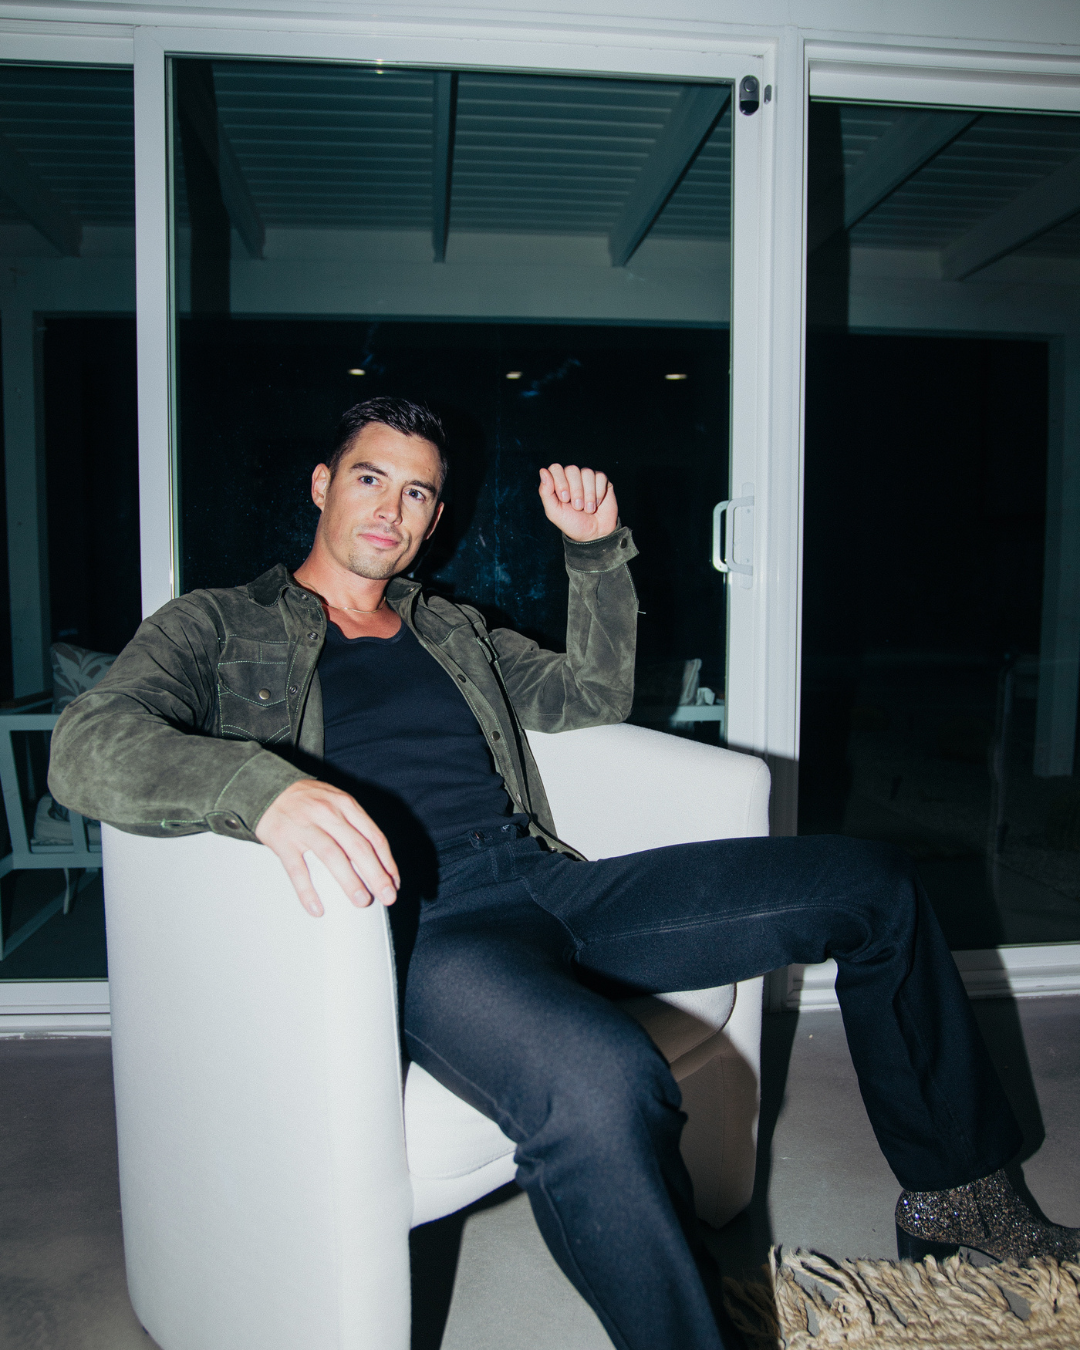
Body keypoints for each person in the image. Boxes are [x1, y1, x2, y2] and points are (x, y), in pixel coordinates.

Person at [50, 396, 1078, 1350]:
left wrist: (595, 555)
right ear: (322, 485)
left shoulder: (448, 627)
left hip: (551, 882)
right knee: (601, 1082)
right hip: (422, 930)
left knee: (873, 885)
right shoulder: (217, 624)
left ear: (435, 516)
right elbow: (86, 745)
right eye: (370, 478)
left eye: (418, 493)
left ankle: (962, 1204)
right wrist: (260, 789)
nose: (392, 510)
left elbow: (591, 694)